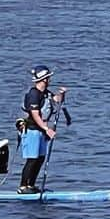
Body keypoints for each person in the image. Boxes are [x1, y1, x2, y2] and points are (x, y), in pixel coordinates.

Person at [18, 65, 67, 194]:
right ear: (44, 79)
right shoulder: (33, 94)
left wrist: (62, 94)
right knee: (32, 159)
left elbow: (56, 100)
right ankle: (23, 187)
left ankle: (31, 185)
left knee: (40, 159)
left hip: (41, 131)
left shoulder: (46, 93)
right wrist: (47, 129)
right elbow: (35, 114)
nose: (50, 79)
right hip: (33, 130)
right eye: (49, 77)